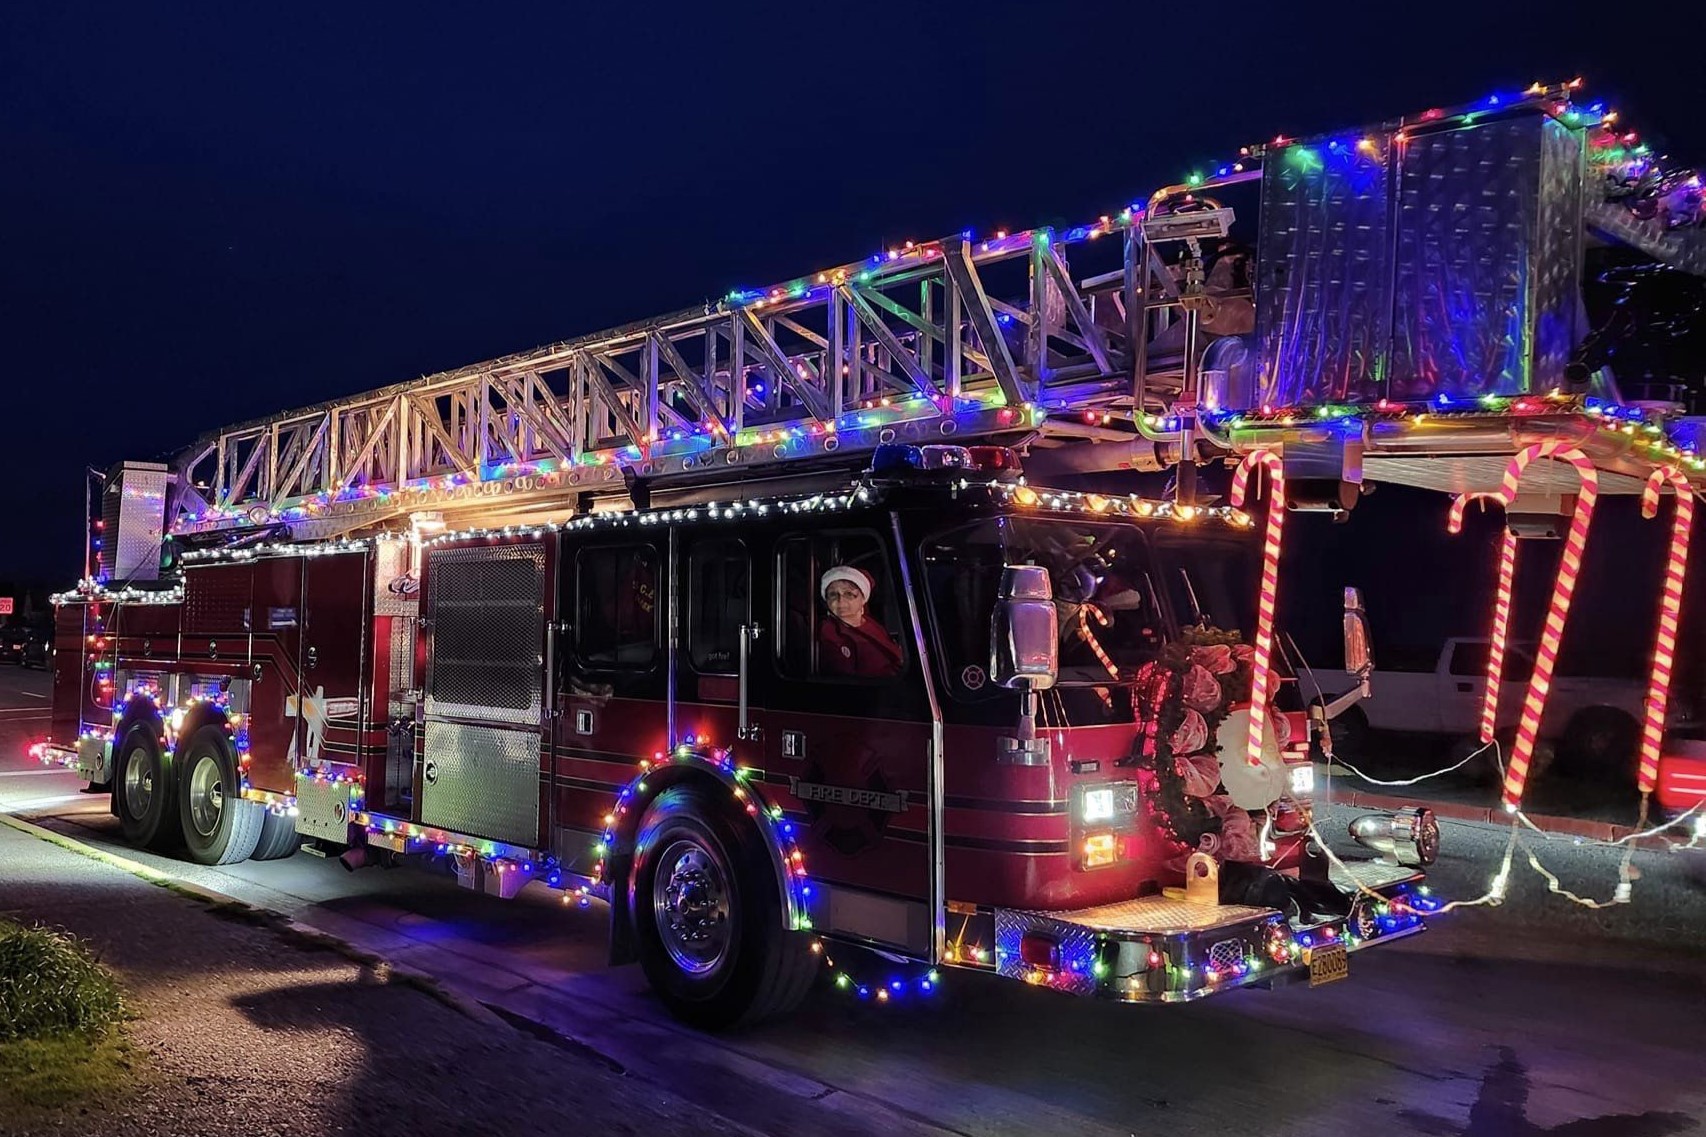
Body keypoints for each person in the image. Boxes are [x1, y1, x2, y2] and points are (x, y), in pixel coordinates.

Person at [818, 566, 903, 678]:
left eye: (849, 594)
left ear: (863, 599)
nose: (840, 600)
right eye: (833, 594)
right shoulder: (827, 632)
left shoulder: (872, 624)